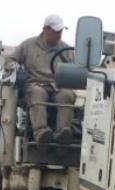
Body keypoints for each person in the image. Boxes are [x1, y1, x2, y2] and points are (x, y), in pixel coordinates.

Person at [11, 14, 76, 145]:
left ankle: (63, 133)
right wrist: (15, 67)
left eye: (61, 31)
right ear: (45, 29)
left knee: (67, 95)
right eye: (56, 31)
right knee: (37, 93)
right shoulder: (28, 45)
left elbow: (74, 69)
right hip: (36, 84)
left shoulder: (66, 50)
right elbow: (10, 59)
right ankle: (41, 132)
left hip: (57, 86)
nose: (59, 35)